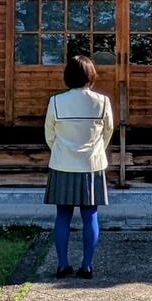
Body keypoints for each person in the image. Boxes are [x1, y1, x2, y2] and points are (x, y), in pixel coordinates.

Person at [43, 51, 113, 278]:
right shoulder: (102, 102)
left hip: (62, 164)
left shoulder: (55, 102)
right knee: (90, 215)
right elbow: (108, 132)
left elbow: (49, 135)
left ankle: (62, 265)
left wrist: (62, 151)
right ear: (91, 76)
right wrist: (96, 150)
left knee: (62, 215)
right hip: (91, 165)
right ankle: (87, 265)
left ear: (67, 76)